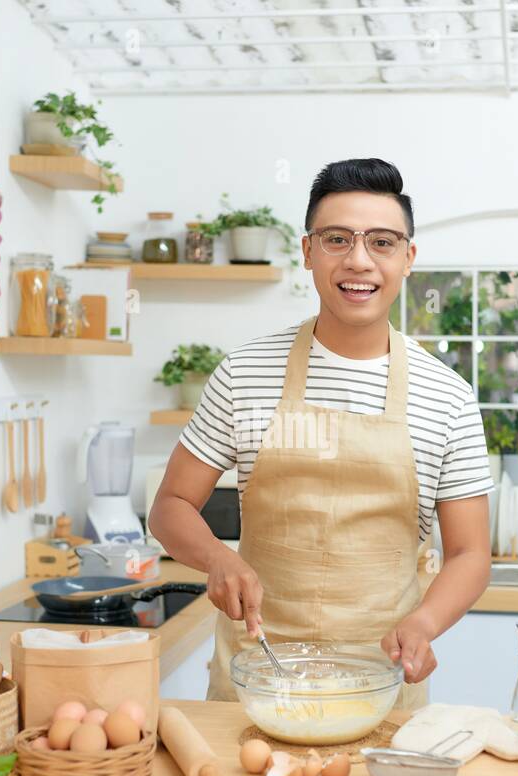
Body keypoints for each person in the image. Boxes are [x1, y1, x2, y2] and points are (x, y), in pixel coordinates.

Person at [148, 158, 493, 710]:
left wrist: (425, 623)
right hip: (255, 681)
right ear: (308, 252)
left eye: (382, 242)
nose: (358, 260)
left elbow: (472, 553)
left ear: (408, 259)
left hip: (381, 687)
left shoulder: (448, 397)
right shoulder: (244, 373)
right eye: (337, 239)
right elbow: (169, 507)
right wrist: (219, 558)